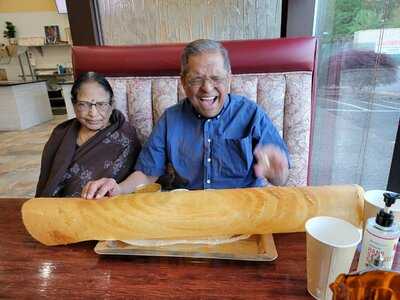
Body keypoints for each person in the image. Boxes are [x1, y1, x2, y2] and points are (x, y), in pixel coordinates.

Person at [82, 39, 289, 199]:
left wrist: (277, 173)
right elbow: (147, 174)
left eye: (216, 78)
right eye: (196, 79)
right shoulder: (170, 119)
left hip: (244, 210)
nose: (207, 88)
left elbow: (280, 178)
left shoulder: (252, 115)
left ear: (229, 78)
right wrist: (117, 188)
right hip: (189, 212)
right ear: (183, 82)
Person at [36, 71, 141, 197]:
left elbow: (136, 183)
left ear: (112, 104)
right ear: (74, 105)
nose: (93, 113)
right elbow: (46, 181)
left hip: (104, 207)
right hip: (58, 207)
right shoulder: (61, 133)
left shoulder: (125, 136)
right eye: (83, 105)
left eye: (101, 104)